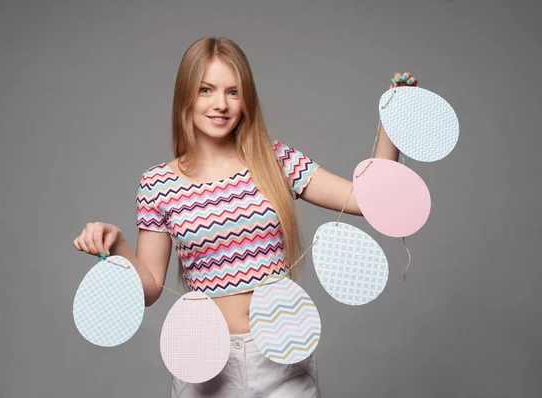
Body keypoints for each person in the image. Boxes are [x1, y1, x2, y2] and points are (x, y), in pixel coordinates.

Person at [72, 36, 418, 398]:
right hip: (202, 362)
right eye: (206, 90)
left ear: (246, 99)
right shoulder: (158, 183)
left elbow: (367, 200)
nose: (220, 104)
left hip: (283, 356)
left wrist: (392, 123)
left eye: (233, 92)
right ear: (185, 96)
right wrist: (118, 246)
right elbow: (150, 289)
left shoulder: (277, 161)